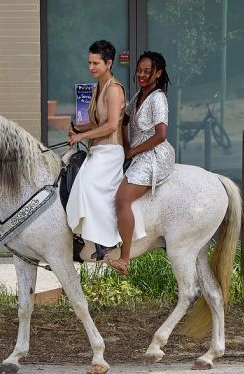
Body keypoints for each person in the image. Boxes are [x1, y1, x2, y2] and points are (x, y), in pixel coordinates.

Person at [107, 51, 173, 277]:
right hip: (136, 153)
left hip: (154, 155)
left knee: (122, 198)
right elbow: (123, 121)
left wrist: (132, 151)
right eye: (139, 71)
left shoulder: (158, 98)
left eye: (147, 71)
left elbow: (161, 135)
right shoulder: (138, 96)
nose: (141, 75)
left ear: (158, 73)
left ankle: (124, 259)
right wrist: (125, 146)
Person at [66, 40, 127, 262]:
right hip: (98, 150)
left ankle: (108, 240)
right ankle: (89, 237)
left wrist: (81, 137)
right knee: (76, 180)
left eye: (95, 63)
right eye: (89, 62)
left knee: (88, 184)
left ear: (109, 63)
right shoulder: (97, 87)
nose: (91, 67)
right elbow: (96, 122)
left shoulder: (114, 90)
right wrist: (77, 128)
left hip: (111, 150)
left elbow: (111, 126)